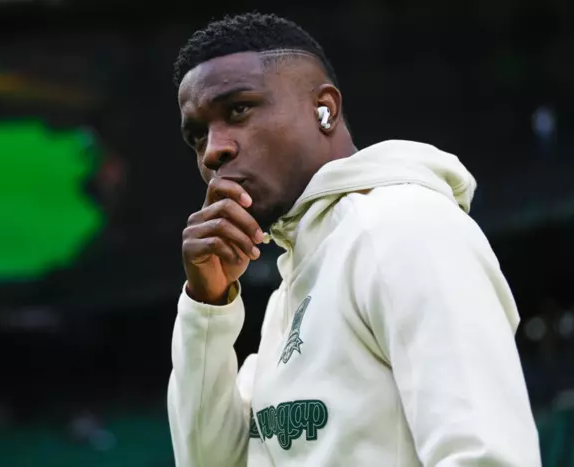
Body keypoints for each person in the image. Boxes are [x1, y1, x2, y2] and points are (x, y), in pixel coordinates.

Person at [168, 12, 541, 467]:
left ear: (324, 109)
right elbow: (209, 462)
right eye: (197, 136)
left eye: (238, 109)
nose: (213, 150)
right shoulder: (296, 281)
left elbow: (485, 457)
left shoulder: (402, 227)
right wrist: (207, 306)